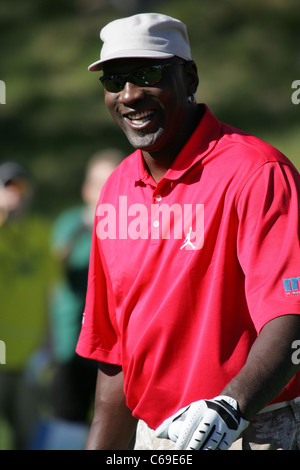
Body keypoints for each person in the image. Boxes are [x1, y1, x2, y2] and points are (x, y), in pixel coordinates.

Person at [76, 13, 300, 450]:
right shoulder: (116, 189)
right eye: (114, 80)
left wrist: (231, 407)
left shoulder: (258, 173)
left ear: (189, 76)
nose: (130, 95)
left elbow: (291, 315)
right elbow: (115, 355)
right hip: (154, 437)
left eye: (147, 74)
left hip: (253, 427)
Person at [0, 161, 57, 449]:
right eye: (7, 188)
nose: (15, 195)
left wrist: (50, 340)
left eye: (19, 187)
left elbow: (51, 290)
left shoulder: (42, 231)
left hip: (30, 351)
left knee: (27, 432)